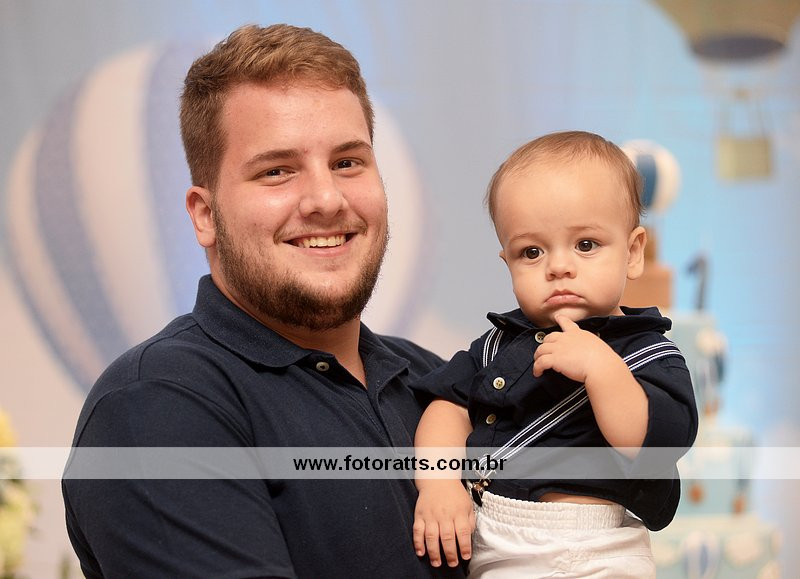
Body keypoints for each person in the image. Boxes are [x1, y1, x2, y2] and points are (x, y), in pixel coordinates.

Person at [62, 23, 463, 578]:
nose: (326, 199)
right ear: (205, 215)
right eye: (277, 171)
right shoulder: (155, 405)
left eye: (348, 162)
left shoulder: (434, 381)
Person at [412, 131, 698, 577]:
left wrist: (601, 368)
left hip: (597, 545)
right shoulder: (496, 345)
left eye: (586, 245)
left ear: (632, 253)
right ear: (507, 262)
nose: (559, 267)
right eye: (532, 252)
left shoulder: (646, 352)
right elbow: (447, 408)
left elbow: (657, 445)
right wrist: (439, 485)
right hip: (497, 537)